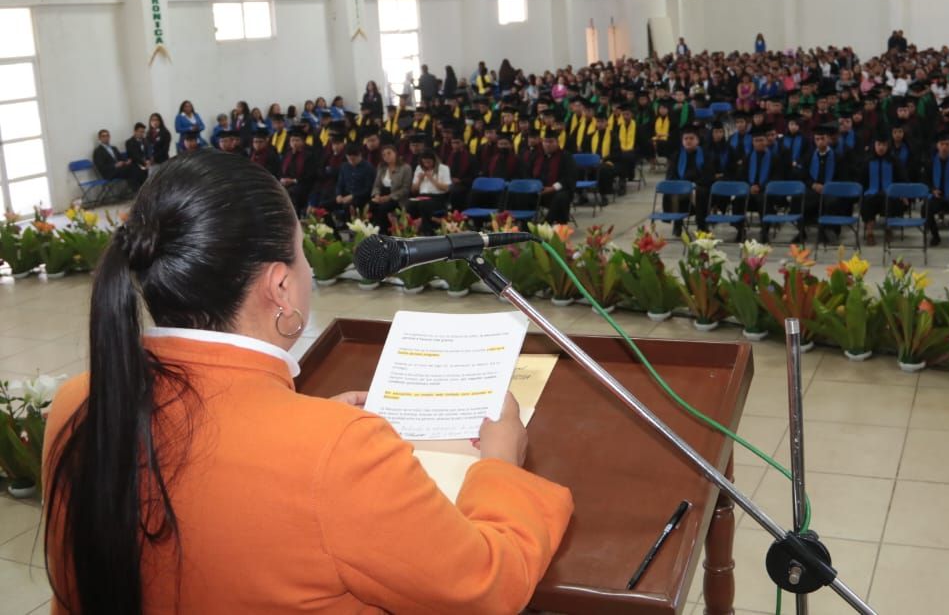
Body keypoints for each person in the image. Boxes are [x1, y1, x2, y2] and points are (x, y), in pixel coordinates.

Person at [42, 151, 572, 613]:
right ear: (279, 286)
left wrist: (302, 421)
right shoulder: (338, 452)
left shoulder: (80, 400)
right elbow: (485, 588)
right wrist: (501, 463)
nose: (309, 274)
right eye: (301, 255)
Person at [665, 125, 711, 236]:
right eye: (686, 139)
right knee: (672, 194)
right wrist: (681, 185)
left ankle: (701, 225)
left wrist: (694, 185)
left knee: (696, 192)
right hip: (681, 189)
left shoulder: (705, 155)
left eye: (691, 138)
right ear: (682, 141)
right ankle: (677, 224)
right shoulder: (676, 156)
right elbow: (670, 176)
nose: (688, 141)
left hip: (699, 187)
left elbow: (709, 175)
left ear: (697, 140)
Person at [528, 133, 576, 224]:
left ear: (557, 142)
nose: (548, 144)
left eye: (551, 142)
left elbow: (569, 177)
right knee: (520, 194)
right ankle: (524, 224)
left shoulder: (566, 156)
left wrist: (553, 188)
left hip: (557, 191)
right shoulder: (536, 156)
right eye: (546, 142)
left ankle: (547, 223)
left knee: (562, 197)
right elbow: (528, 173)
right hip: (537, 190)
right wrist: (533, 186)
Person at [370, 145, 412, 232]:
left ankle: (385, 232)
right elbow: (377, 185)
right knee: (372, 204)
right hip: (382, 196)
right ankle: (375, 231)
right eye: (384, 155)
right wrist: (377, 195)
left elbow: (405, 189)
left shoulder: (405, 168)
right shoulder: (382, 167)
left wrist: (389, 197)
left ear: (395, 153)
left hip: (397, 198)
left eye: (389, 153)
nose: (386, 156)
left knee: (383, 208)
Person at [334, 142, 375, 223]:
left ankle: (351, 229)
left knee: (348, 206)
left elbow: (368, 189)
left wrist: (353, 196)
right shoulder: (344, 166)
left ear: (360, 156)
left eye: (353, 159)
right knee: (323, 205)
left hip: (360, 197)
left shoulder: (368, 168)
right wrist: (338, 194)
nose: (351, 162)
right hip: (345, 195)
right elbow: (340, 184)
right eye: (349, 159)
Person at [279, 129, 317, 216]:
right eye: (292, 140)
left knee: (292, 193)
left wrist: (293, 181)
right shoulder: (287, 154)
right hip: (287, 183)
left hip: (303, 184)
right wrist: (282, 179)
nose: (294, 143)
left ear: (303, 141)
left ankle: (294, 217)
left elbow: (310, 175)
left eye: (297, 140)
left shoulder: (309, 155)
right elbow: (280, 170)